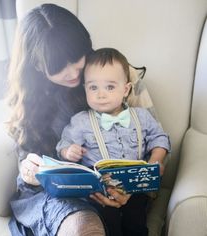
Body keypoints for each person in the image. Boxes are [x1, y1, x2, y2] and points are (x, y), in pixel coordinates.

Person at [6, 3, 107, 236]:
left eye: (76, 58)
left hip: (104, 186)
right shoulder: (30, 96)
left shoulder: (111, 73)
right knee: (82, 226)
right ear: (37, 65)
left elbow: (145, 139)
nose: (72, 73)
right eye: (59, 67)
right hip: (51, 193)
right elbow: (27, 158)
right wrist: (29, 170)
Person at [56, 48, 171, 236]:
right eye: (93, 87)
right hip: (99, 193)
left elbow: (159, 137)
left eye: (110, 87)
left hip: (135, 188)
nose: (101, 94)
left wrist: (156, 159)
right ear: (85, 88)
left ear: (126, 89)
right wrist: (69, 151)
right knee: (107, 226)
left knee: (136, 225)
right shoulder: (81, 121)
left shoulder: (141, 116)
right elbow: (64, 143)